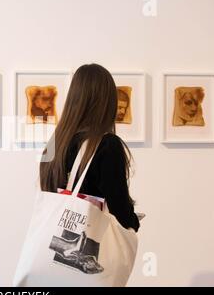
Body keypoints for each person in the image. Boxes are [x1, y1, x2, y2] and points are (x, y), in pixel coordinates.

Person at [40, 63, 140, 232]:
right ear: (108, 102)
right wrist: (134, 220)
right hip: (90, 251)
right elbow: (121, 214)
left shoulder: (54, 143)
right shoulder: (107, 145)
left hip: (52, 250)